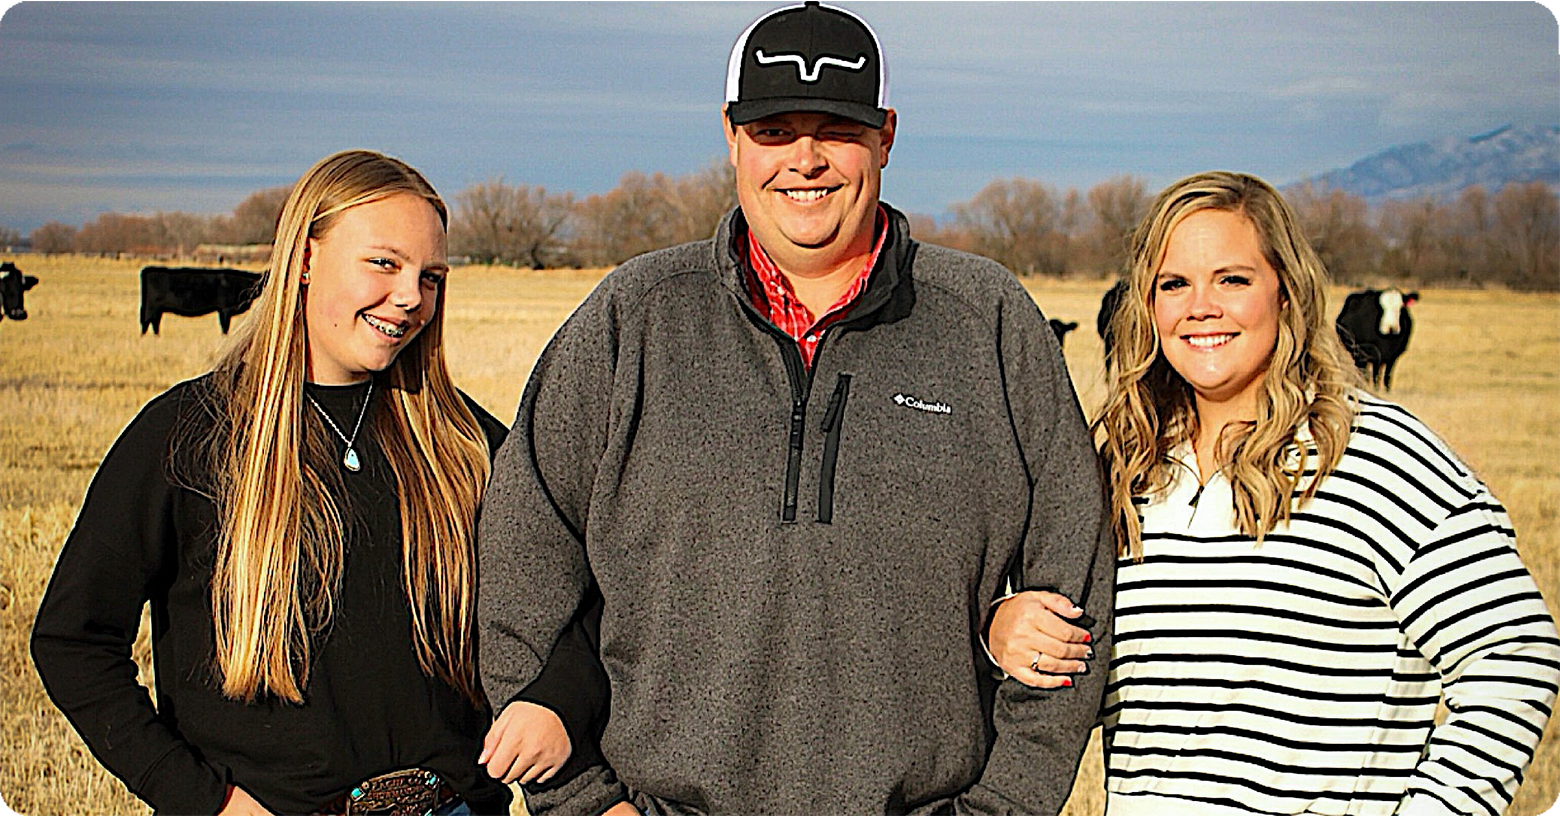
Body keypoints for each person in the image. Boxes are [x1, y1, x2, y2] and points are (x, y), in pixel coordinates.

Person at [475, 3, 1113, 815]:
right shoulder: (632, 317)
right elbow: (524, 549)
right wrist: (583, 803)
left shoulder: (987, 320)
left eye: (835, 129)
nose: (804, 160)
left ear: (885, 133)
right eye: (774, 130)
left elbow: (1076, 578)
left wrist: (1008, 804)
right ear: (731, 136)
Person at [31, 149, 605, 816]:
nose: (411, 297)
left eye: (432, 276)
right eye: (384, 264)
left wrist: (558, 700)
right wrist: (201, 800)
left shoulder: (466, 442)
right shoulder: (185, 436)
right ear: (304, 257)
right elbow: (73, 641)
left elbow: (584, 593)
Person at [987, 171, 1560, 816]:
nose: (1200, 306)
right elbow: (1074, 670)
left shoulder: (1374, 454)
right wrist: (1004, 628)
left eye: (1233, 279)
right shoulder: (1121, 471)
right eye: (1174, 284)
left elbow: (1514, 657)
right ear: (1147, 306)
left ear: (1286, 293)